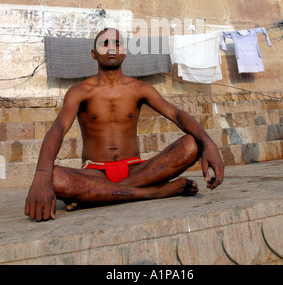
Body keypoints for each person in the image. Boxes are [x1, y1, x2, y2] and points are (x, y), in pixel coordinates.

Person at [25, 28, 224, 222]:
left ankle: (99, 196)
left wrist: (209, 144)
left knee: (192, 143)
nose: (111, 47)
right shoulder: (79, 92)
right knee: (54, 177)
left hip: (137, 171)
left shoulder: (140, 88)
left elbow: (177, 114)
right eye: (105, 43)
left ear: (125, 52)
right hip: (95, 173)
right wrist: (41, 175)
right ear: (94, 54)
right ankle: (155, 192)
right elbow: (58, 128)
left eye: (117, 43)